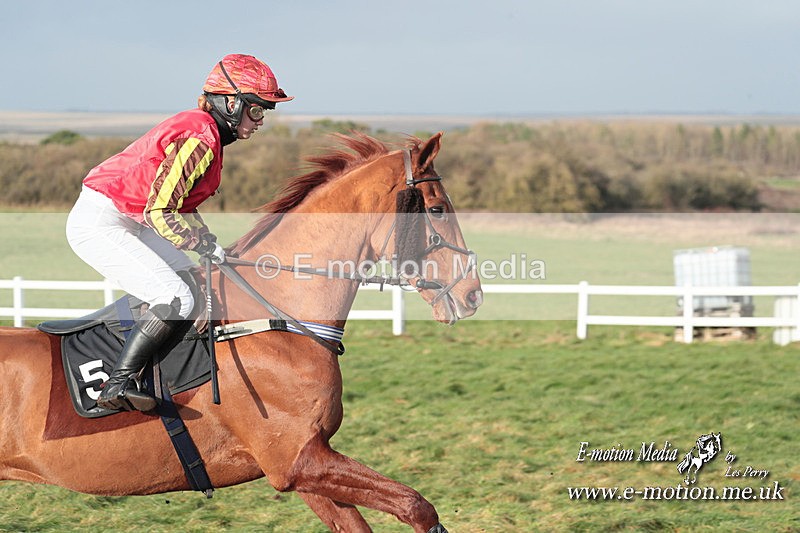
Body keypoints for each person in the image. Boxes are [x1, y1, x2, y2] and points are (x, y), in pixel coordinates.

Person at [66, 54, 293, 411]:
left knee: (193, 281)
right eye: (257, 110)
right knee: (178, 298)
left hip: (131, 218)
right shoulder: (201, 138)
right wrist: (199, 242)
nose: (261, 120)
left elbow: (183, 204)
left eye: (265, 112)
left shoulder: (208, 136)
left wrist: (208, 242)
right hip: (103, 222)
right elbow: (160, 211)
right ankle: (116, 385)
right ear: (231, 104)